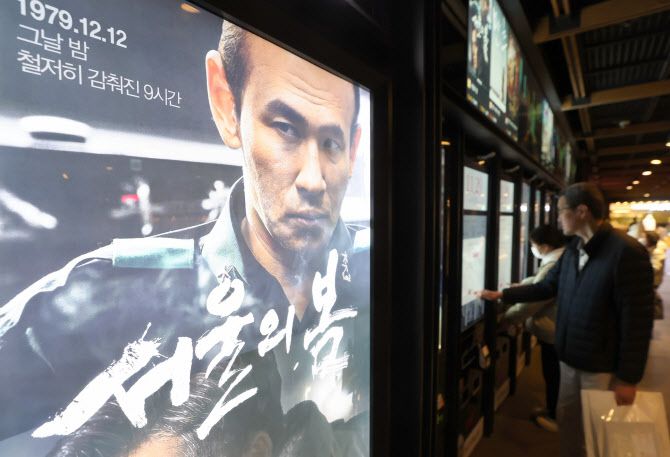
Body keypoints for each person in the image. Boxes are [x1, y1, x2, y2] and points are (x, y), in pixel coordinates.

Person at [0, 18, 370, 453]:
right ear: (226, 105)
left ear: (353, 148)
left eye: (331, 143)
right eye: (285, 128)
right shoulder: (115, 295)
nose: (312, 179)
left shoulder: (380, 269)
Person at [478, 182, 654, 457]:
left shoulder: (626, 252)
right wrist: (502, 294)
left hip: (600, 366)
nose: (558, 219)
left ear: (581, 211)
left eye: (561, 211)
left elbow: (638, 321)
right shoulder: (573, 248)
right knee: (569, 426)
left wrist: (628, 378)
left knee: (597, 435)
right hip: (569, 358)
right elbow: (547, 287)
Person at [501, 224, 565, 432]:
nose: (532, 249)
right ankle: (553, 410)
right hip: (558, 328)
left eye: (533, 245)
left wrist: (509, 318)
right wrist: (522, 286)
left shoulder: (552, 263)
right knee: (555, 375)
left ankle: (555, 416)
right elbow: (540, 282)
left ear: (544, 246)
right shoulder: (561, 258)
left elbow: (536, 299)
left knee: (554, 375)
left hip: (553, 330)